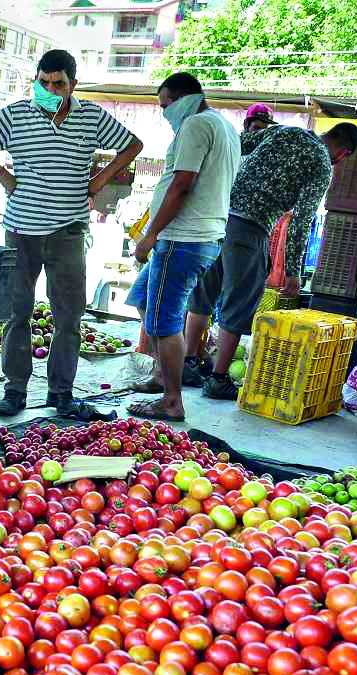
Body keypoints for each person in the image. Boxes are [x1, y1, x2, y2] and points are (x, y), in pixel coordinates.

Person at [0, 49, 142, 418]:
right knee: (16, 312)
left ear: (73, 85)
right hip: (21, 229)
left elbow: (132, 144)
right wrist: (2, 174)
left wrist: (99, 180)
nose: (49, 89)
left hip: (69, 229)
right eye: (43, 82)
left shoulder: (90, 117)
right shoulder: (16, 114)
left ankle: (61, 391)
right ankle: (15, 389)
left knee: (69, 316)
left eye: (58, 84)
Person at [183, 121, 357, 400]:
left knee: (203, 293)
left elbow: (237, 145)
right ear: (343, 153)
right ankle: (218, 380)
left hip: (217, 217)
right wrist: (293, 271)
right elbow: (302, 220)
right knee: (240, 302)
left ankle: (187, 364)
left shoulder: (285, 130)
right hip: (250, 229)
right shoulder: (321, 164)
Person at [124, 73, 239, 422]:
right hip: (197, 238)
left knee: (165, 321)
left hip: (182, 239)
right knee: (145, 300)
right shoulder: (224, 126)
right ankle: (162, 374)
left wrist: (151, 235)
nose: (164, 114)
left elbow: (182, 185)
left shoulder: (196, 126)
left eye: (165, 106)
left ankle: (172, 400)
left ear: (184, 99)